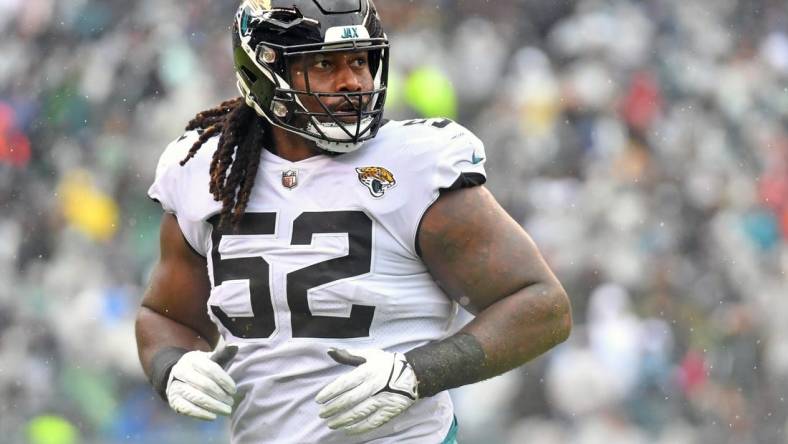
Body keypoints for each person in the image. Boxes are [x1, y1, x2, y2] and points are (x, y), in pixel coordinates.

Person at [134, 0, 572, 442]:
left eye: (360, 61)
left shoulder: (413, 166)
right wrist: (172, 366)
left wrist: (416, 374)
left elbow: (542, 306)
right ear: (265, 72)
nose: (353, 82)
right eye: (325, 64)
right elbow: (166, 317)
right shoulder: (209, 173)